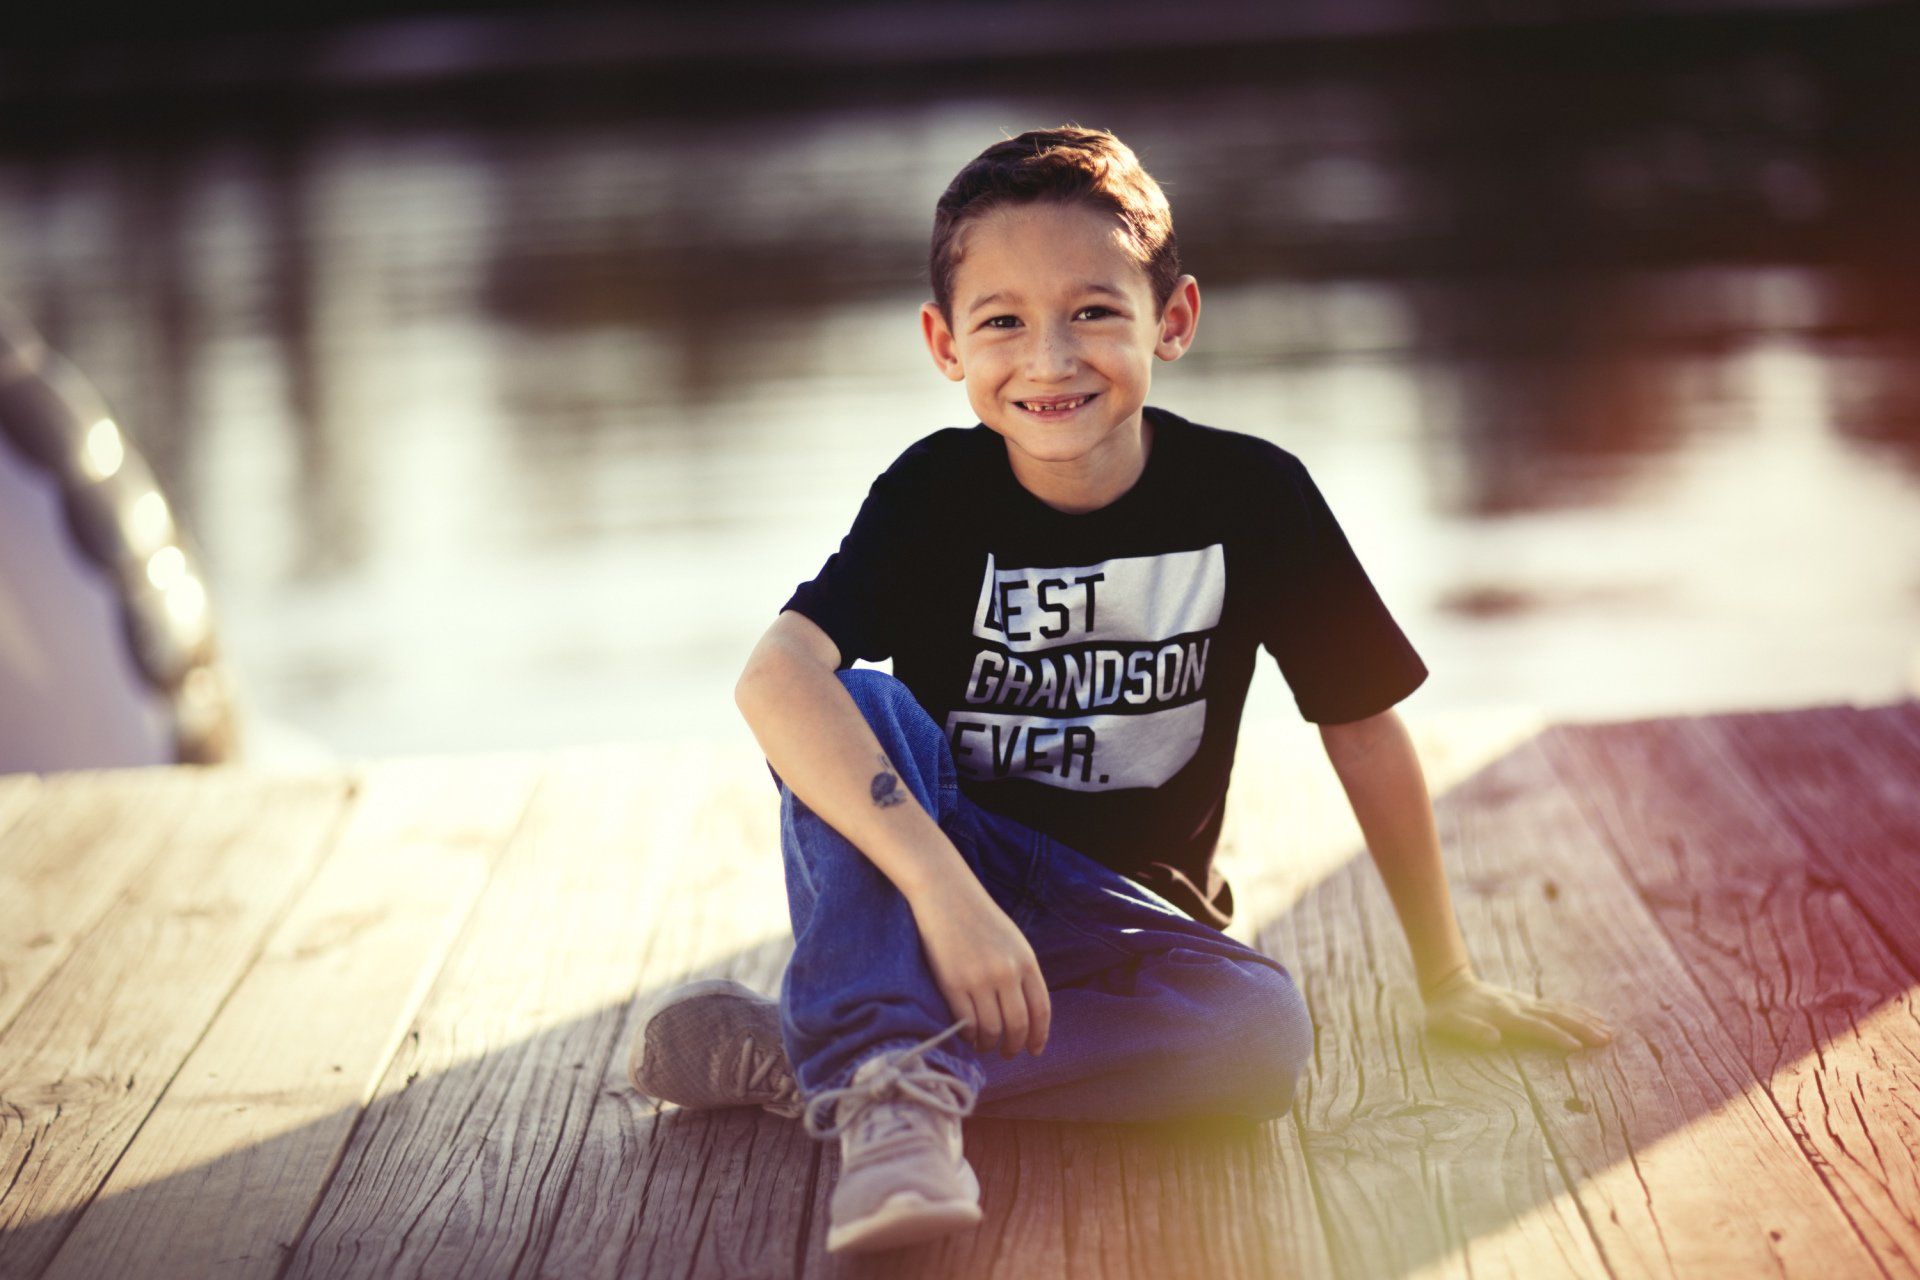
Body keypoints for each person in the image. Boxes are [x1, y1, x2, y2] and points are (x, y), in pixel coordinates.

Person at [629, 124, 1614, 1255]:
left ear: (1174, 320)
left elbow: (1362, 727)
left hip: (1135, 920)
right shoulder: (932, 494)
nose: (1050, 359)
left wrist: (1446, 975)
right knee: (855, 698)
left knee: (1259, 1036)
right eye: (1003, 320)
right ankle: (890, 1092)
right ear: (945, 344)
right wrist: (944, 888)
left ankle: (829, 1056)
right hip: (954, 871)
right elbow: (774, 677)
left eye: (1094, 311)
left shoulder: (1254, 495)